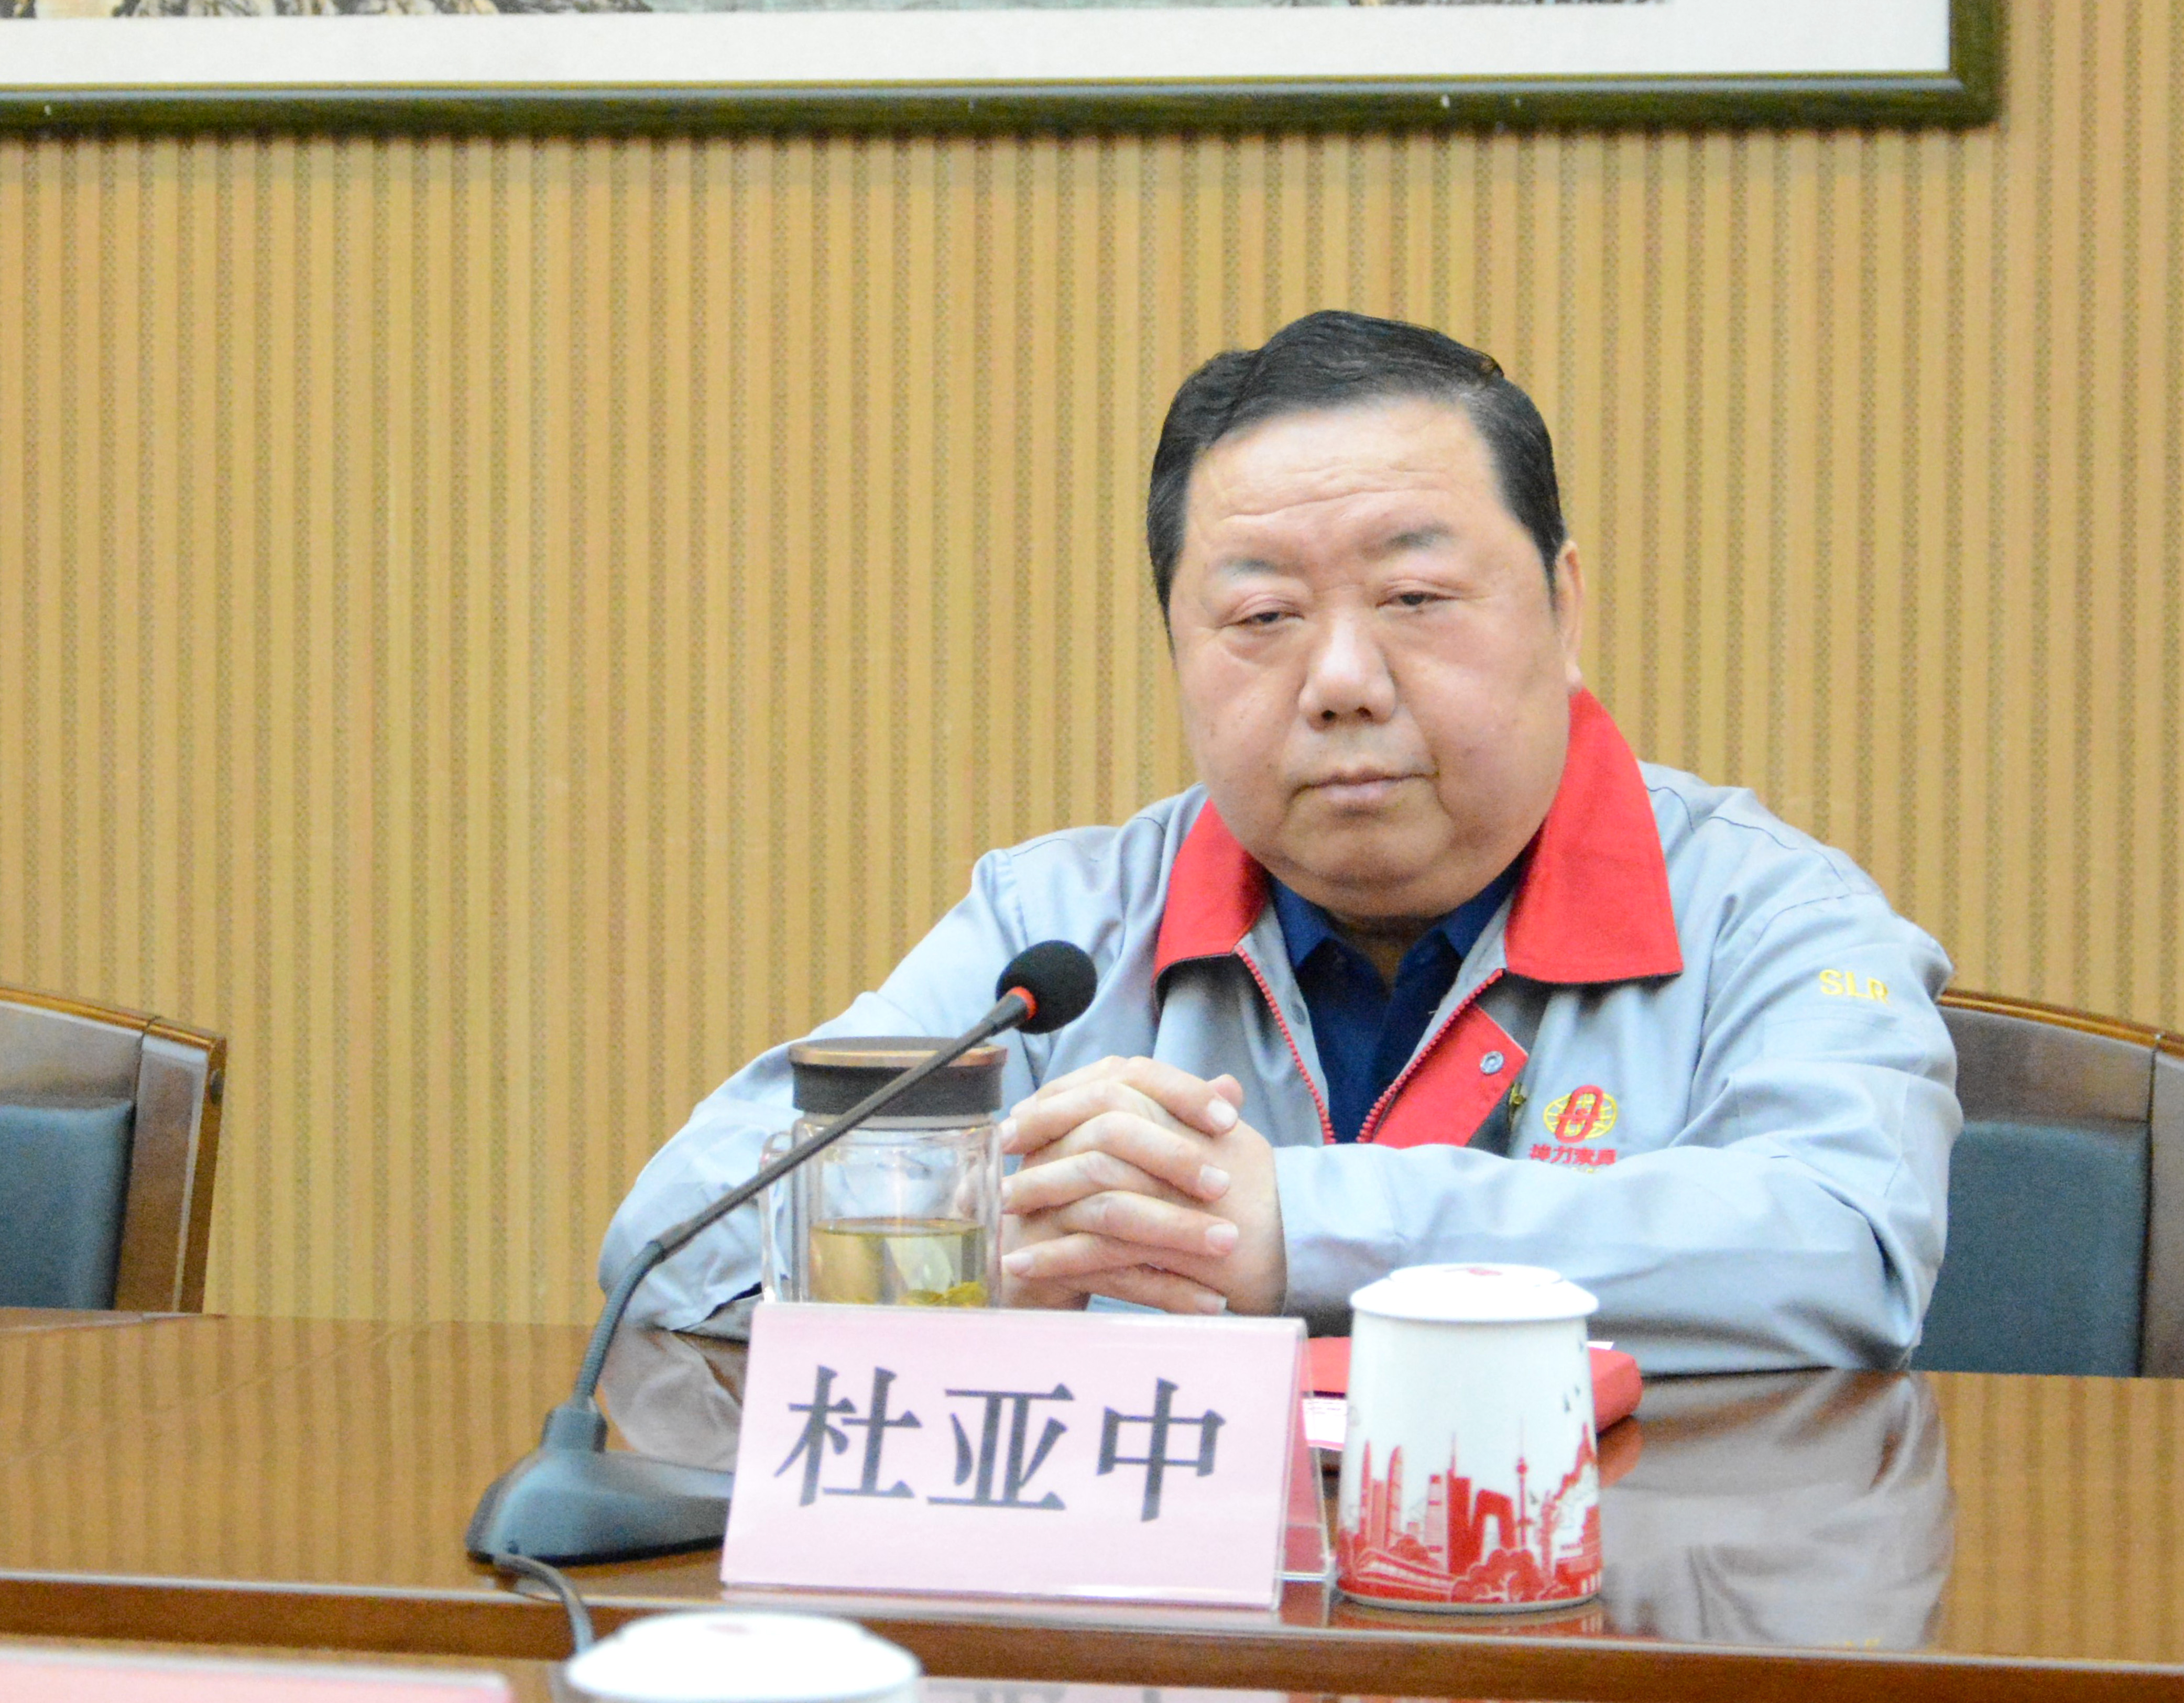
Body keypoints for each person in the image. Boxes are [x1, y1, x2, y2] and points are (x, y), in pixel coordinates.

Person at [603, 310, 1961, 1374]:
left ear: (1564, 608)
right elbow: (670, 1240)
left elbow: (1847, 1249)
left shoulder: (1764, 911)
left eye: (1416, 596)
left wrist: (1293, 1229)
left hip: (1614, 1605)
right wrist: (964, 1248)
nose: (1342, 680)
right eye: (1262, 619)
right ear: (1178, 651)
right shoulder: (1059, 931)